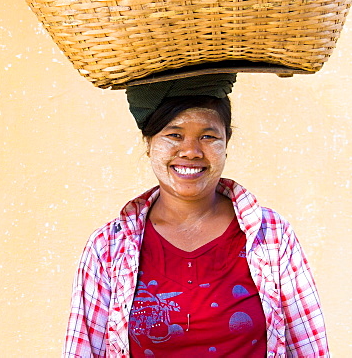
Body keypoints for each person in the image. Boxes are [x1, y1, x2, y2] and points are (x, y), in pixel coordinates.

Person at [64, 74, 329, 357]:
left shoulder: (272, 236)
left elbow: (309, 349)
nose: (191, 151)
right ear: (149, 143)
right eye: (174, 135)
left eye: (208, 136)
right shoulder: (108, 248)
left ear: (226, 143)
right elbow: (83, 350)